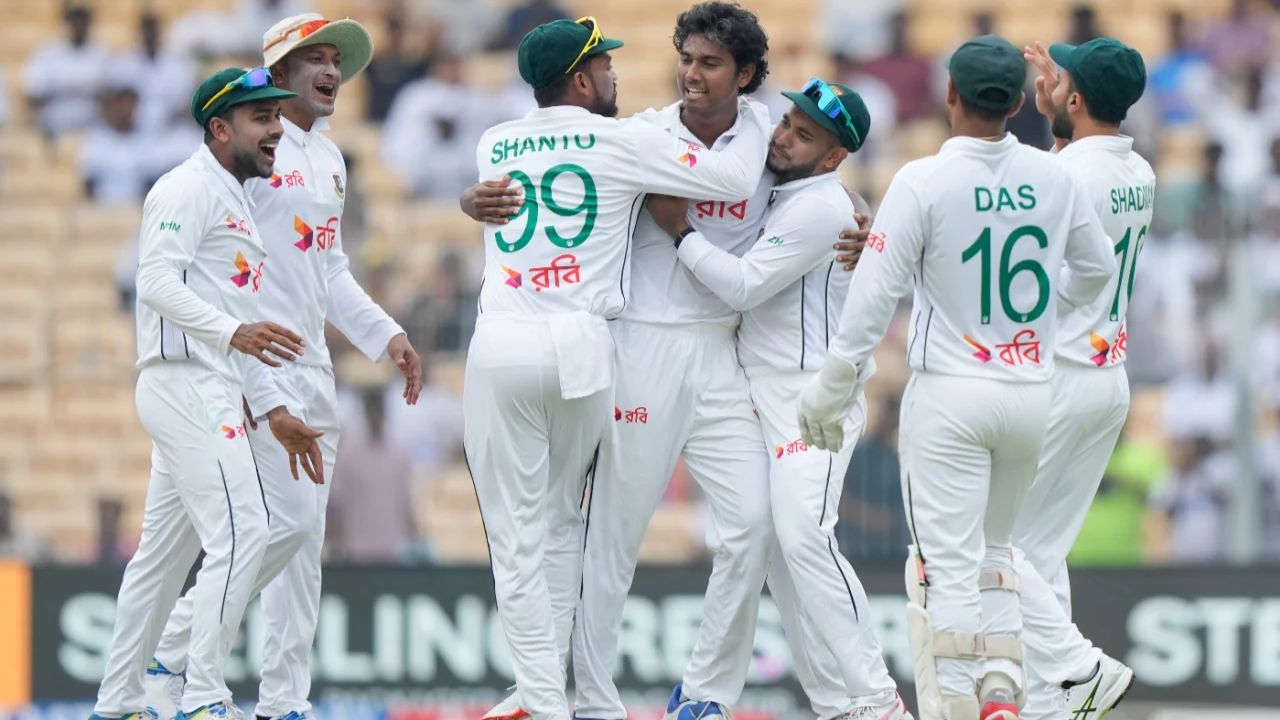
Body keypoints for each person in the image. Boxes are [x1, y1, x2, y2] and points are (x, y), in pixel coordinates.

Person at [462, 7, 869, 720]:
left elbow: (826, 189)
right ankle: (587, 697)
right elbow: (547, 182)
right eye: (686, 58)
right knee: (611, 542)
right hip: (640, 348)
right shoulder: (642, 135)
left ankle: (704, 691)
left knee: (753, 527)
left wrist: (859, 222)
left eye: (709, 63)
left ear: (743, 76)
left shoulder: (771, 141)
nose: (690, 73)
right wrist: (473, 199)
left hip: (722, 355)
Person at [796, 35, 1114, 720]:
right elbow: (1099, 272)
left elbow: (874, 296)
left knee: (943, 569)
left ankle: (957, 709)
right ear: (1015, 103)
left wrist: (836, 381)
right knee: (997, 553)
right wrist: (1045, 322)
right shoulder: (1054, 176)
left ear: (950, 97)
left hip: (950, 393)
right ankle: (1001, 694)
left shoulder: (923, 179)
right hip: (1029, 393)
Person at [142, 15, 421, 720]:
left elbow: (326, 269)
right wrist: (247, 372)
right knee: (281, 529)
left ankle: (284, 702)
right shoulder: (251, 154)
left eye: (336, 61)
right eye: (315, 60)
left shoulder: (329, 159)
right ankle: (176, 655)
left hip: (314, 367)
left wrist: (384, 335)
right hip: (256, 368)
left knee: (304, 551)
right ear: (280, 69)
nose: (332, 72)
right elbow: (216, 271)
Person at [646, 78, 909, 719]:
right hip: (754, 387)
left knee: (803, 538)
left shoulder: (822, 207)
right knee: (775, 552)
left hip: (809, 398)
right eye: (789, 121)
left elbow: (741, 287)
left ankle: (877, 700)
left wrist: (680, 233)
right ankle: (834, 704)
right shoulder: (791, 175)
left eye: (804, 134)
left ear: (832, 156)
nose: (784, 136)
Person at [91, 66, 325, 720]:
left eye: (278, 117)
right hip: (183, 379)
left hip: (207, 382)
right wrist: (233, 331)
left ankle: (116, 704)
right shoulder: (186, 187)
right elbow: (156, 283)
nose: (277, 129)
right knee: (247, 528)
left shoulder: (236, 201)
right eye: (261, 119)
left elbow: (237, 326)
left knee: (161, 562)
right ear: (221, 129)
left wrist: (274, 409)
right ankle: (203, 698)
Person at [1012, 37, 1153, 720]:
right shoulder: (1142, 172)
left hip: (1059, 377)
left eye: (1058, 79)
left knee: (986, 544)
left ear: (1072, 99)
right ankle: (1051, 703)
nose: (1046, 84)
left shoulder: (1061, 174)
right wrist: (1053, 104)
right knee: (1039, 552)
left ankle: (1078, 666)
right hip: (1107, 376)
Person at [23, 2, 109, 136]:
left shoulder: (101, 56)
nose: (79, 26)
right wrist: (68, 90)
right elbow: (33, 94)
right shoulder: (47, 54)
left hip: (91, 130)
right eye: (75, 21)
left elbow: (108, 97)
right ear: (67, 23)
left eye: (83, 22)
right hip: (54, 129)